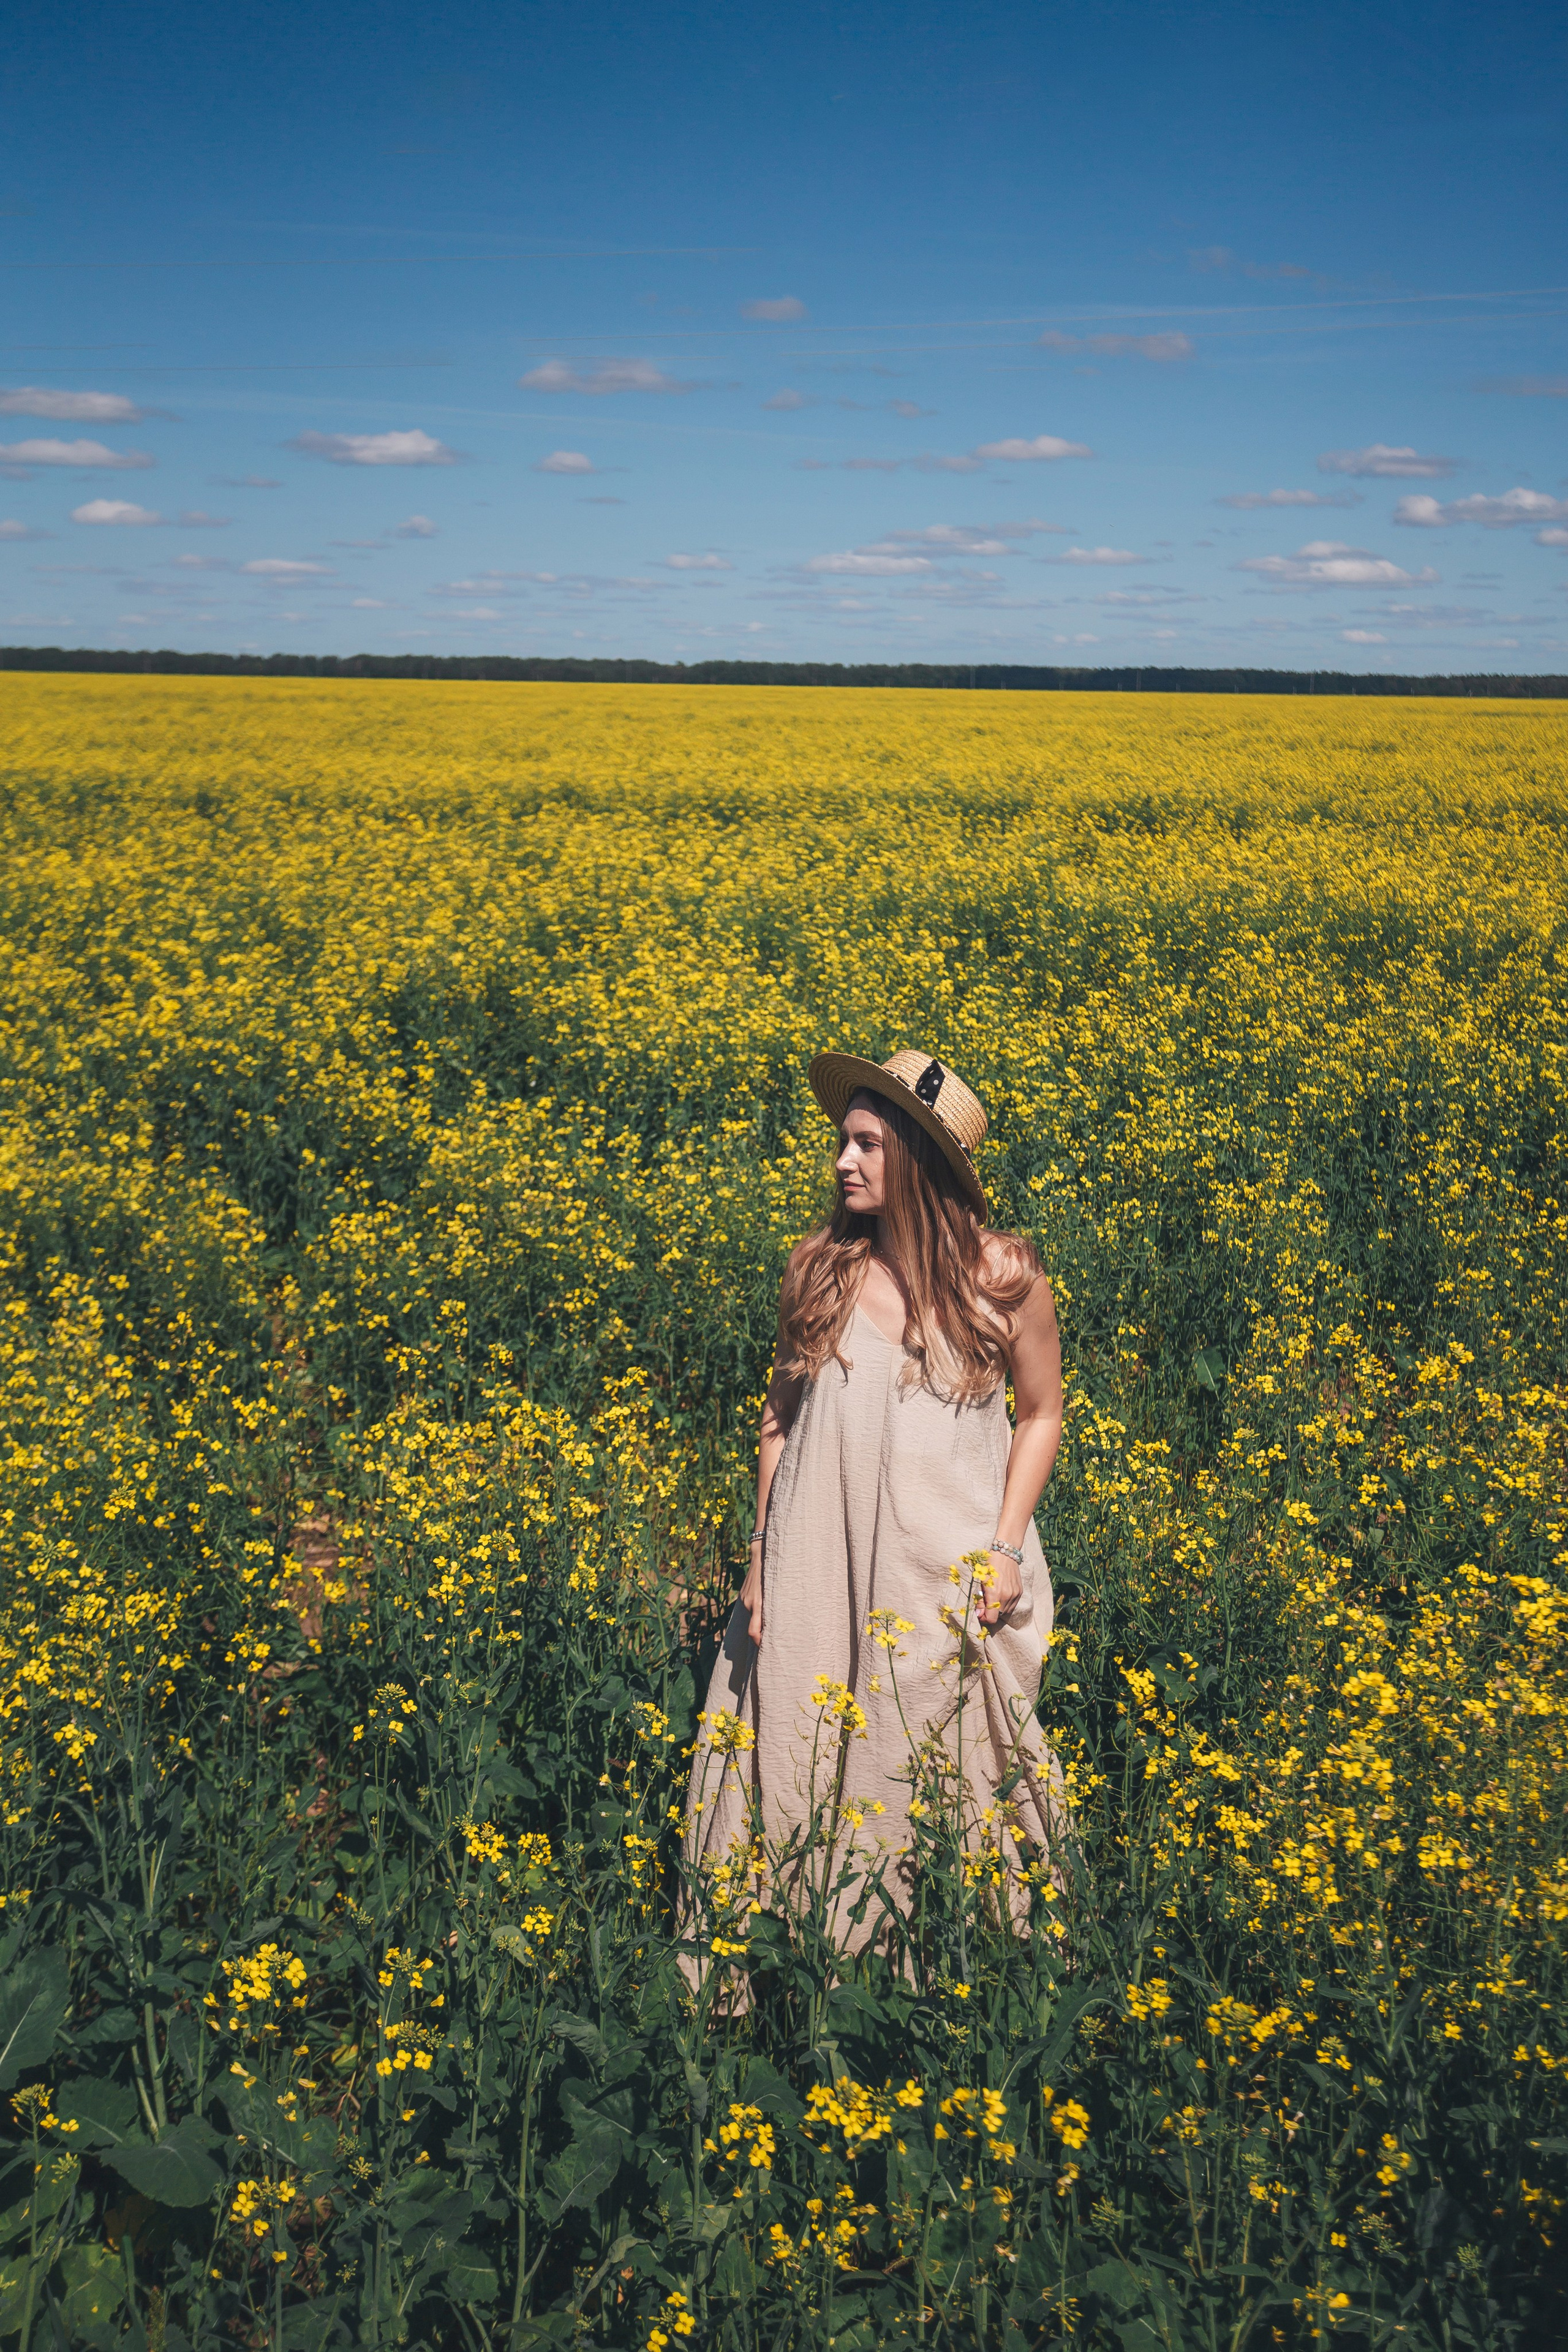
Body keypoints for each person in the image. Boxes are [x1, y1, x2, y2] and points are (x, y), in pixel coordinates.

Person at [684, 1046, 1065, 1952]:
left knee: (932, 1756)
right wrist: (762, 1561)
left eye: (867, 1144)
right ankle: (793, 1954)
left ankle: (946, 1968)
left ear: (920, 1158)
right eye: (843, 1141)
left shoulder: (1005, 1281)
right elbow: (778, 1422)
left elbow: (1042, 1414)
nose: (842, 1161)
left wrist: (1007, 1548)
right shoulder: (822, 1270)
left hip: (946, 1565)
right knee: (795, 1739)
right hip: (818, 1555)